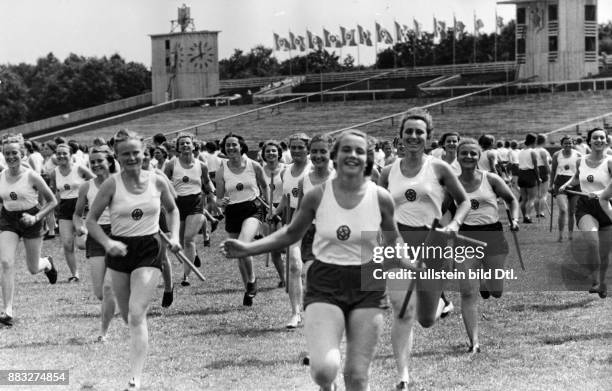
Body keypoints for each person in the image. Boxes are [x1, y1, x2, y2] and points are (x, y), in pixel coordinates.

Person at [223, 129, 410, 391]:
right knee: (324, 370)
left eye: (359, 150)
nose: (352, 155)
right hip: (325, 283)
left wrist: (405, 258)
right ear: (336, 155)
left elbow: (393, 239)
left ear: (368, 157)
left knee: (357, 375)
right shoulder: (317, 195)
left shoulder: (380, 197)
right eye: (346, 150)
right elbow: (290, 233)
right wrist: (247, 249)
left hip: (367, 286)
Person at [378, 108, 471, 390]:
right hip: (397, 243)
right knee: (401, 310)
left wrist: (454, 223)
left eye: (420, 132)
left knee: (426, 320)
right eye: (409, 131)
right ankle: (403, 375)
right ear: (401, 136)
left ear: (428, 137)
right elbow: (379, 209)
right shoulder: (386, 171)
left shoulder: (439, 168)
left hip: (434, 243)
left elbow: (464, 201)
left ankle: (439, 302)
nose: (414, 136)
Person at [86, 129, 181, 390]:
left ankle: (135, 378)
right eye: (125, 154)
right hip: (119, 251)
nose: (131, 158)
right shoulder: (111, 185)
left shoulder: (157, 181)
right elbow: (91, 221)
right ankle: (141, 341)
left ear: (144, 153)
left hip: (149, 249)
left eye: (135, 153)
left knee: (137, 313)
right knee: (129, 316)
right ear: (116, 156)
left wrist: (174, 236)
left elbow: (172, 210)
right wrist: (107, 243)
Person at [455, 138, 519, 353]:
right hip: (464, 237)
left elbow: (511, 200)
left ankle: (485, 283)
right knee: (467, 292)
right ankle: (474, 342)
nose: (468, 157)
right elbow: (442, 208)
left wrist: (515, 219)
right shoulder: (452, 184)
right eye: (464, 153)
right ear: (457, 155)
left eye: (473, 153)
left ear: (479, 155)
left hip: (492, 235)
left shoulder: (490, 179)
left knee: (497, 291)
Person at [0, 136, 58, 327]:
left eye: (14, 153)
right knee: (6, 262)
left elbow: (52, 201)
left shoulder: (31, 176)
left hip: (32, 219)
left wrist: (36, 218)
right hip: (9, 220)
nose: (10, 157)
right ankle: (7, 310)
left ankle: (47, 264)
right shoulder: (1, 176)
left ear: (22, 153)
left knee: (33, 269)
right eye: (6, 153)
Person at [215, 133, 268, 306]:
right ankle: (248, 289)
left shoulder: (253, 165)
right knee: (238, 254)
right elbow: (219, 198)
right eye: (227, 145)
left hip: (253, 208)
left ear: (241, 146)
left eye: (234, 145)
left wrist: (269, 206)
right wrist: (220, 202)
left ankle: (252, 280)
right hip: (233, 211)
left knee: (243, 244)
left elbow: (264, 185)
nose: (231, 148)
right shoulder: (222, 170)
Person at [560, 128, 612, 299]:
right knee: (592, 242)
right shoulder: (580, 161)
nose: (598, 140)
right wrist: (566, 185)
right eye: (595, 137)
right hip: (586, 207)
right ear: (589, 141)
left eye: (601, 137)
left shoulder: (610, 162)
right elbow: (576, 178)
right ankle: (596, 282)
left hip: (607, 206)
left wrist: (600, 193)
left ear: (606, 141)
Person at [72, 146, 118, 341]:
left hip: (120, 234)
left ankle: (103, 333)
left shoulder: (122, 182)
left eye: (100, 160)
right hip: (96, 235)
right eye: (93, 162)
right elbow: (76, 214)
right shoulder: (86, 187)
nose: (97, 164)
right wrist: (79, 226)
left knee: (109, 288)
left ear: (109, 161)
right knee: (100, 292)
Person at [292, 134, 335, 329]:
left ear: (331, 152)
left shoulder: (341, 176)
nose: (318, 155)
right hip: (312, 234)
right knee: (311, 280)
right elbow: (300, 212)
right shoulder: (304, 180)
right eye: (314, 151)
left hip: (338, 235)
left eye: (323, 151)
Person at [165, 133, 215, 286]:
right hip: (177, 204)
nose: (185, 146)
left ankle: (185, 276)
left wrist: (212, 195)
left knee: (188, 239)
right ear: (178, 148)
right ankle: (193, 255)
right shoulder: (172, 164)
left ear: (194, 146)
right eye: (182, 144)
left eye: (188, 143)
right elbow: (164, 182)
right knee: (179, 242)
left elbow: (207, 182)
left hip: (196, 203)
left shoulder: (202, 165)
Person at [275, 133, 311, 323]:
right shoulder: (285, 171)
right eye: (293, 147)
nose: (296, 151)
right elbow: (285, 196)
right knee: (294, 265)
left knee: (312, 269)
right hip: (293, 221)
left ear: (308, 149)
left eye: (300, 147)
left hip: (315, 222)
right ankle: (295, 313)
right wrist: (276, 211)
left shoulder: (316, 169)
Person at [49, 143, 95, 282]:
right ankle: (75, 274)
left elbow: (96, 181)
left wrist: (90, 197)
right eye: (58, 153)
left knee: (81, 244)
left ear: (70, 155)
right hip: (64, 210)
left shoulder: (79, 168)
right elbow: (56, 192)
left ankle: (102, 251)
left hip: (81, 209)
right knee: (67, 244)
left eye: (64, 153)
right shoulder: (54, 172)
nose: (61, 156)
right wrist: (52, 207)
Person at [261, 140, 287, 288]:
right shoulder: (259, 170)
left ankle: (294, 271)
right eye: (268, 151)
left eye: (273, 151)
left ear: (278, 153)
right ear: (263, 154)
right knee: (274, 248)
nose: (271, 153)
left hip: (285, 207)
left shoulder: (286, 169)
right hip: (267, 208)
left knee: (286, 245)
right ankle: (283, 278)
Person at [550, 136, 581, 242]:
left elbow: (581, 172)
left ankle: (571, 234)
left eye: (569, 143)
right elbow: (553, 171)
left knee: (572, 212)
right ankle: (560, 234)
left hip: (574, 184)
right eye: (565, 143)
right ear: (561, 144)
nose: (568, 145)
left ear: (573, 144)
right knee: (563, 210)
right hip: (560, 183)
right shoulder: (556, 155)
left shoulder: (578, 155)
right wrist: (551, 185)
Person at [517, 133, 540, 223]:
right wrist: (538, 178)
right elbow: (535, 166)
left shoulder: (521, 151)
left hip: (521, 175)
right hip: (530, 175)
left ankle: (525, 218)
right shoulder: (532, 152)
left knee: (524, 199)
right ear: (533, 141)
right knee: (531, 199)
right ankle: (527, 215)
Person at [535, 134, 552, 218]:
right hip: (542, 170)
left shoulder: (532, 150)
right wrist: (550, 173)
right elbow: (547, 164)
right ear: (544, 141)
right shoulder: (543, 151)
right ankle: (541, 212)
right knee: (544, 194)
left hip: (534, 171)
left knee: (537, 195)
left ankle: (537, 212)